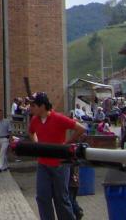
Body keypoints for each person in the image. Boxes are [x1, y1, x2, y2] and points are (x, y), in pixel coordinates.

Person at [28, 91, 86, 220]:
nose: (31, 108)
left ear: (42, 106)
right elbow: (31, 132)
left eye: (34, 105)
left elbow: (81, 128)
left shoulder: (58, 118)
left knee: (61, 198)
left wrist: (67, 144)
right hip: (43, 164)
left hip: (60, 164)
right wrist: (37, 144)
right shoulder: (35, 120)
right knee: (42, 197)